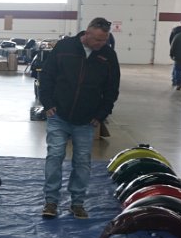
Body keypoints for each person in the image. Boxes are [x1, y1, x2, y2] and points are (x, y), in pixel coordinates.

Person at [37, 17, 120, 219]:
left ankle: (77, 203)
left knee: (82, 162)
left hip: (86, 120)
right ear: (87, 33)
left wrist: (101, 114)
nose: (102, 44)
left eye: (105, 40)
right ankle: (51, 202)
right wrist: (47, 103)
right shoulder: (65, 47)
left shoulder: (108, 55)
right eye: (98, 40)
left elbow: (112, 88)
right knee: (55, 156)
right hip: (59, 115)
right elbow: (46, 75)